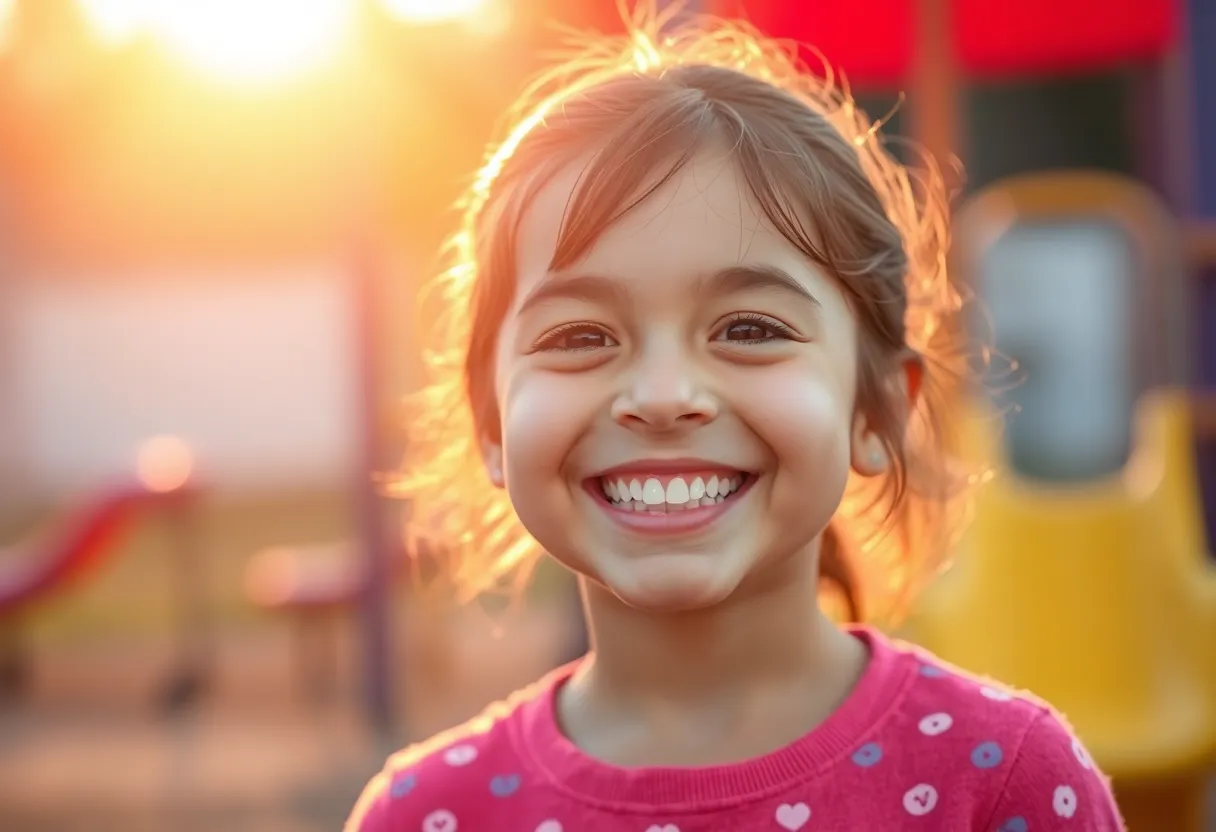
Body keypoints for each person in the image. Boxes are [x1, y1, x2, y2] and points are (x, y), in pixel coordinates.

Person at [347, 9, 1124, 830]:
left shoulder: (1002, 783)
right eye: (580, 336)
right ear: (492, 424)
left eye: (748, 329)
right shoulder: (428, 814)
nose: (661, 393)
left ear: (878, 407)